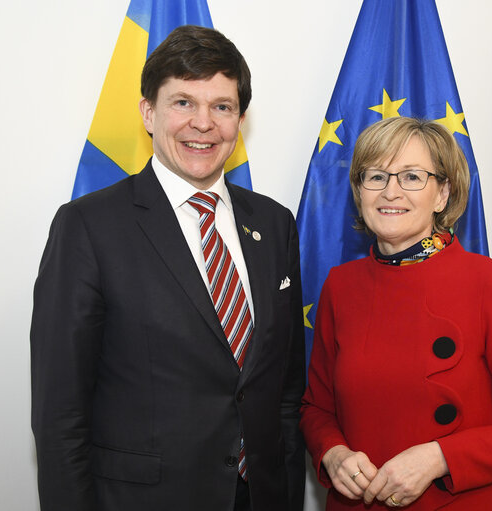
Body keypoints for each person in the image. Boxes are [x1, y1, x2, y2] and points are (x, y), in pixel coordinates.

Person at [31, 25, 305, 511]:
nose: (203, 123)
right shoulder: (88, 226)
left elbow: (284, 388)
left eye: (221, 106)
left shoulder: (274, 223)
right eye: (183, 103)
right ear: (148, 113)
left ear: (239, 119)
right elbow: (60, 414)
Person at [300, 117, 492, 510]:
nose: (391, 192)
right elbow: (316, 408)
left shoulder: (488, 282)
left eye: (411, 177)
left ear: (442, 194)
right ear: (359, 191)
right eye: (375, 176)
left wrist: (440, 458)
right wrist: (333, 453)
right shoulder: (341, 285)